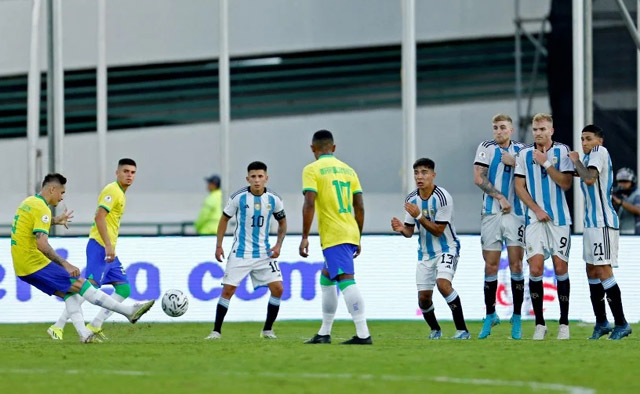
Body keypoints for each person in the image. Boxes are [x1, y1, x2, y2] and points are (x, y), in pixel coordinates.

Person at [11, 173, 154, 343]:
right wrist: (65, 264)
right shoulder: (42, 208)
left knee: (69, 293)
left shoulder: (28, 203)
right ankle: (128, 311)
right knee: (82, 284)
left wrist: (55, 220)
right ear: (52, 189)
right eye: (62, 193)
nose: (62, 197)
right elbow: (42, 244)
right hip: (34, 263)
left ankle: (84, 334)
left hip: (22, 267)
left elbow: (31, 223)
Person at [48, 158, 141, 340]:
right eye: (126, 171)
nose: (129, 175)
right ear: (117, 173)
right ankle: (57, 326)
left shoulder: (120, 193)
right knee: (88, 288)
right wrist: (107, 245)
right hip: (99, 245)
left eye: (133, 172)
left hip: (107, 247)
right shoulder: (112, 190)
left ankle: (95, 324)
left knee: (124, 289)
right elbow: (99, 217)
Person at [300, 129, 371, 345]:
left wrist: (304, 236)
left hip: (334, 234)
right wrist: (358, 235)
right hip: (349, 230)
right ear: (334, 148)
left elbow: (309, 202)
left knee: (345, 280)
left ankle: (363, 333)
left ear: (313, 149)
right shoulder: (349, 171)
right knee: (326, 279)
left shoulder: (312, 170)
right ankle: (324, 332)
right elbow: (359, 205)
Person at [205, 161, 286, 340]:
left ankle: (267, 330)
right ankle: (216, 331)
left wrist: (278, 245)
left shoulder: (274, 199)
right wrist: (219, 245)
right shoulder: (238, 198)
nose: (257, 180)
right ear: (247, 178)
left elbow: (282, 223)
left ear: (266, 178)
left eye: (260, 176)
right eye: (253, 177)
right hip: (240, 253)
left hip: (264, 253)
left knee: (278, 289)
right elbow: (224, 220)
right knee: (227, 291)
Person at [392, 158, 470, 340]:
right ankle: (435, 330)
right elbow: (410, 231)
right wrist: (401, 229)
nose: (420, 177)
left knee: (443, 285)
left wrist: (419, 215)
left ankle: (462, 330)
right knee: (424, 299)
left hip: (447, 248)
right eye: (417, 173)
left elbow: (438, 230)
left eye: (424, 172)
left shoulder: (443, 197)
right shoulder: (411, 199)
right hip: (425, 254)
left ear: (433, 175)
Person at [568, 125, 632, 340]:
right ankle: (602, 322)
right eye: (582, 139)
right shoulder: (588, 159)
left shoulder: (599, 153)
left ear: (599, 140)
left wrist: (575, 159)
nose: (584, 143)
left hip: (603, 222)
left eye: (588, 138)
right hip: (591, 223)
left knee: (603, 270)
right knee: (591, 271)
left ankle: (621, 323)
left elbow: (589, 178)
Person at [514, 113, 574, 340]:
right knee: (536, 269)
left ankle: (564, 323)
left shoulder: (562, 151)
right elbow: (519, 187)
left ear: (552, 130)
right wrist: (536, 209)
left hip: (559, 220)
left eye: (542, 129)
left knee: (560, 269)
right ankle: (540, 323)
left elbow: (566, 183)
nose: (538, 133)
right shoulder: (524, 154)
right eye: (535, 129)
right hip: (533, 220)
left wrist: (546, 163)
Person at [473, 114, 526, 340]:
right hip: (491, 213)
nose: (498, 131)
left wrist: (515, 162)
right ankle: (490, 314)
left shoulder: (522, 150)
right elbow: (478, 177)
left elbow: (534, 174)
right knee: (490, 266)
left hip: (516, 215)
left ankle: (516, 317)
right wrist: (500, 197)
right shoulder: (486, 147)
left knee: (516, 264)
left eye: (503, 127)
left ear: (511, 130)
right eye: (495, 127)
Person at [611, 168, 640, 234]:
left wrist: (620, 202)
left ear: (632, 182)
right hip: (622, 232)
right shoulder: (620, 194)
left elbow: (638, 210)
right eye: (620, 181)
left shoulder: (637, 194)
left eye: (625, 181)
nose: (622, 184)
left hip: (635, 233)